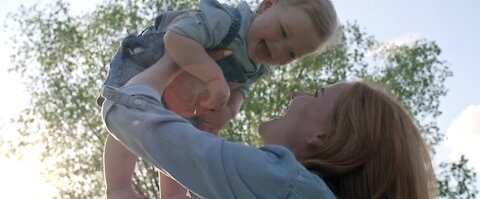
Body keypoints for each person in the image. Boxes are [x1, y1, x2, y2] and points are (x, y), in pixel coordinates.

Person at [100, 0, 339, 198]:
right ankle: (119, 188)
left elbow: (241, 90)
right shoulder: (227, 21)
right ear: (267, 5)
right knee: (127, 112)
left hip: (187, 99)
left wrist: (228, 111)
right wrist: (213, 76)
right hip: (148, 61)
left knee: (185, 139)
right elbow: (176, 37)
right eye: (283, 32)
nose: (278, 49)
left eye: (291, 54)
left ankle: (173, 195)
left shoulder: (258, 66)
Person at [102, 52, 437, 199]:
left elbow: (127, 113)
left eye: (316, 93)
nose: (297, 92)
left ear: (326, 135)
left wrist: (174, 61)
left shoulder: (284, 185)